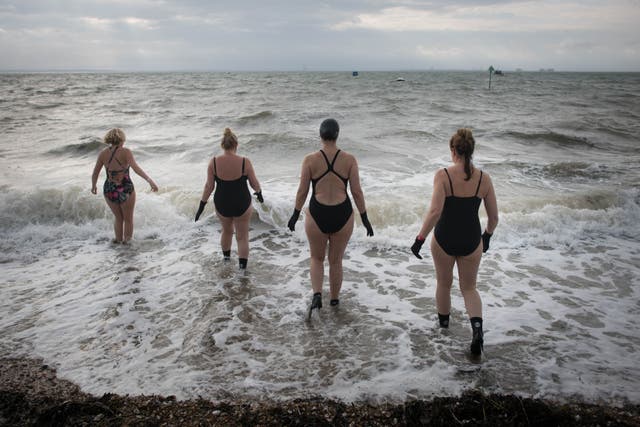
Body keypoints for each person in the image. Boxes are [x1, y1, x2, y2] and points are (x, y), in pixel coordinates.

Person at [410, 128, 498, 356]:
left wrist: (419, 239)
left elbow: (435, 211)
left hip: (444, 239)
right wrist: (486, 237)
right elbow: (494, 218)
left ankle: (443, 330)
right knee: (469, 288)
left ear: (453, 150)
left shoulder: (443, 176)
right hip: (471, 240)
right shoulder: (484, 179)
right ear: (471, 151)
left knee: (444, 284)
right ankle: (477, 330)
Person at [287, 118, 374, 318]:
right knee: (336, 261)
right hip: (342, 214)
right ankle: (334, 301)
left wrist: (295, 214)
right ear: (337, 135)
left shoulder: (309, 160)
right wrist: (365, 218)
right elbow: (357, 192)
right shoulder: (349, 159)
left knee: (316, 258)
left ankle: (317, 296)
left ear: (320, 135)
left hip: (317, 213)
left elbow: (302, 192)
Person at [195, 128, 263, 270]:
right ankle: (242, 270)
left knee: (226, 231)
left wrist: (202, 205)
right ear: (236, 145)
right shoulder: (245, 162)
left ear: (222, 146)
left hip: (222, 203)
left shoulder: (213, 162)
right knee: (242, 236)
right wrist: (259, 194)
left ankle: (226, 261)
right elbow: (254, 183)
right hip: (242, 203)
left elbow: (209, 186)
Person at [91, 128, 158, 243]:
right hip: (125, 188)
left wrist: (94, 186)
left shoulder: (103, 153)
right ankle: (127, 245)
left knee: (118, 218)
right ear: (121, 139)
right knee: (128, 219)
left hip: (109, 189)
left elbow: (95, 172)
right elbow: (136, 168)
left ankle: (118, 242)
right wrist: (149, 180)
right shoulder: (126, 152)